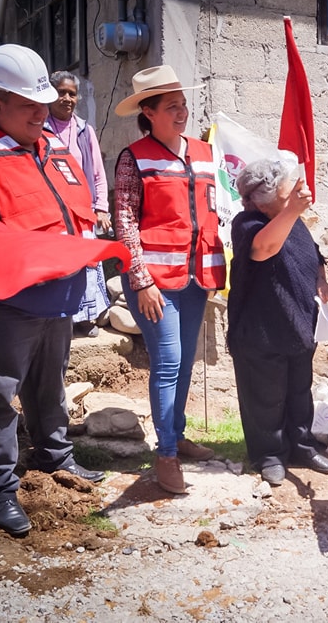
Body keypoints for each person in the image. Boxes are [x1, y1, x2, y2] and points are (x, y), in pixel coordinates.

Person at [0, 44, 105, 537]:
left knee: (49, 384)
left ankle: (55, 456)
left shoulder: (54, 149)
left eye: (44, 101)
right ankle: (1, 487)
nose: (41, 110)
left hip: (54, 298)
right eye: (28, 103)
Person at [114, 65, 225, 493]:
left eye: (183, 104)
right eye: (172, 106)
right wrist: (140, 281)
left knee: (182, 366)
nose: (182, 112)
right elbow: (124, 223)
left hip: (196, 277)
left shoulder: (204, 151)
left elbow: (217, 209)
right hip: (154, 281)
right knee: (167, 362)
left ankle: (176, 434)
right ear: (149, 111)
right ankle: (165, 457)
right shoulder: (134, 158)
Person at [226, 159, 328, 486]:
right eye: (288, 190)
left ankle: (302, 446)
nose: (296, 193)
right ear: (264, 198)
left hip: (299, 325)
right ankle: (269, 455)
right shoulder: (247, 224)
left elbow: (315, 256)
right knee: (265, 398)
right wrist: (291, 211)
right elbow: (263, 249)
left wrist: (321, 281)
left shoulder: (294, 222)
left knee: (299, 394)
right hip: (260, 333)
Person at [44, 71, 111, 336]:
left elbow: (97, 172)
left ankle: (86, 318)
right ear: (50, 95)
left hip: (82, 209)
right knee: (60, 263)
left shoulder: (85, 130)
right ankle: (62, 320)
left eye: (72, 94)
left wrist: (102, 207)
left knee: (86, 263)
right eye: (61, 92)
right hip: (53, 209)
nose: (67, 99)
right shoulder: (41, 128)